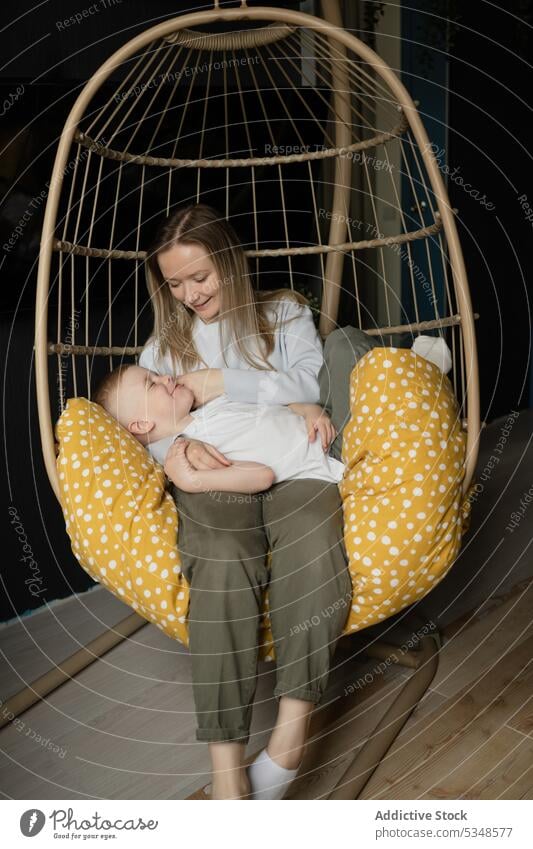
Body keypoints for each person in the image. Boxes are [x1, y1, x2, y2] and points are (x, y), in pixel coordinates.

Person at [132, 202, 358, 800]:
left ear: (230, 261)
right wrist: (179, 455)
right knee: (224, 557)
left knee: (312, 545)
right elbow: (144, 424)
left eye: (200, 276)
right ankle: (228, 776)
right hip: (214, 480)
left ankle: (287, 745)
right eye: (174, 283)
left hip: (296, 467)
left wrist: (217, 383)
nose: (190, 294)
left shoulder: (283, 313)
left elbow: (311, 384)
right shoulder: (162, 349)